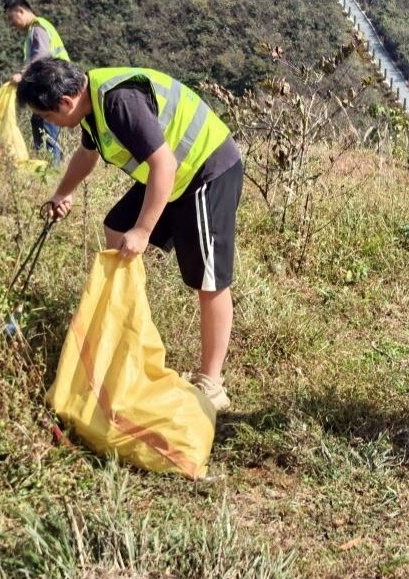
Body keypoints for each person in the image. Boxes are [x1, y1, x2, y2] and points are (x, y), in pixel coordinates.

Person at [17, 60, 243, 412]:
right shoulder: (89, 105)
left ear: (65, 102)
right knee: (117, 228)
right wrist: (63, 193)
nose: (49, 123)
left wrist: (143, 230)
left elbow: (164, 165)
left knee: (208, 278)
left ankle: (212, 383)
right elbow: (87, 154)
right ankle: (128, 328)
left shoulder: (118, 101)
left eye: (47, 116)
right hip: (174, 173)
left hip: (204, 169)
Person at [5, 0, 69, 166]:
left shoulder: (38, 28)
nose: (12, 24)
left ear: (20, 11)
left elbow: (41, 57)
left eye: (11, 18)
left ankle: (52, 167)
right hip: (51, 84)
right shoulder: (35, 29)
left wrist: (22, 74)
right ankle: (47, 163)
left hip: (53, 84)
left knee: (47, 122)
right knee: (38, 121)